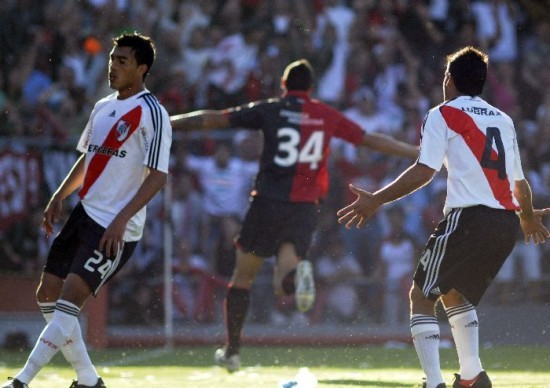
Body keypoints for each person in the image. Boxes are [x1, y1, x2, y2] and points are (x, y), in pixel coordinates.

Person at [170, 58, 418, 372]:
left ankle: (232, 352)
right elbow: (370, 140)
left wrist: (171, 122)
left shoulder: (271, 109)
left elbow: (215, 119)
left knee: (242, 278)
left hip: (268, 203)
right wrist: (415, 152)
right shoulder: (325, 115)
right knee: (282, 284)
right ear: (311, 88)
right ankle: (296, 274)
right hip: (304, 208)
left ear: (284, 85)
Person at [337, 46, 550, 388]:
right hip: (505, 224)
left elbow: (425, 171)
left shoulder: (442, 114)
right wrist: (526, 217)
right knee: (453, 293)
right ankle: (471, 376)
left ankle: (433, 382)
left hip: (469, 219)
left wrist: (377, 199)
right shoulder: (503, 119)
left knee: (421, 296)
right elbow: (520, 182)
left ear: (448, 80)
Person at [2, 32, 172, 388]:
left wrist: (123, 220)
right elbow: (87, 158)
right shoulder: (102, 107)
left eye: (122, 61)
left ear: (142, 69)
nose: (113, 66)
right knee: (46, 295)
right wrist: (59, 195)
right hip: (85, 213)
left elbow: (158, 177)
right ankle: (89, 380)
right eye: (112, 59)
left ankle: (22, 380)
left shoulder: (153, 113)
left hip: (116, 227)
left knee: (68, 302)